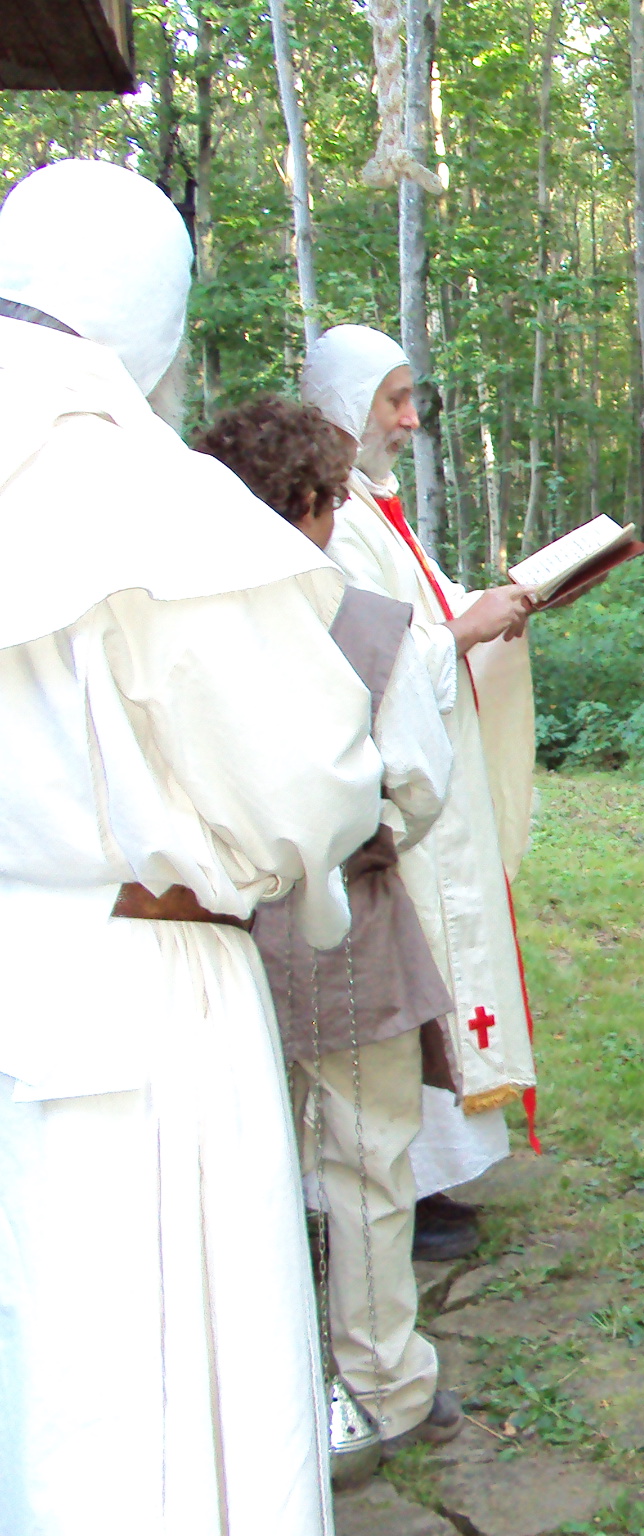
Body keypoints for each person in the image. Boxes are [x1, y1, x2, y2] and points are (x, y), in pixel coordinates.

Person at [0, 160, 384, 1533]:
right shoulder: (143, 498)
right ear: (150, 311)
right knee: (156, 1377)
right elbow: (308, 781)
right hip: (144, 985)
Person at [194, 395, 467, 1451]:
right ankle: (384, 1383)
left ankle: (256, 1383)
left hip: (213, 927)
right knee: (365, 1163)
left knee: (242, 1160)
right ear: (313, 504)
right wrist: (363, 839)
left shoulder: (177, 622)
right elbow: (419, 784)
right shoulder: (363, 627)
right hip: (343, 922)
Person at [302, 324, 539, 1262]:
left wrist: (492, 614)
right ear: (347, 405)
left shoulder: (375, 507)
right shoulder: (330, 517)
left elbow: (423, 620)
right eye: (393, 400)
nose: (409, 419)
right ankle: (395, 1185)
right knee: (406, 981)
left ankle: (432, 1175)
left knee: (441, 970)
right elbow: (363, 653)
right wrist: (467, 628)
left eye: (410, 399)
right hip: (387, 810)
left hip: (434, 790)